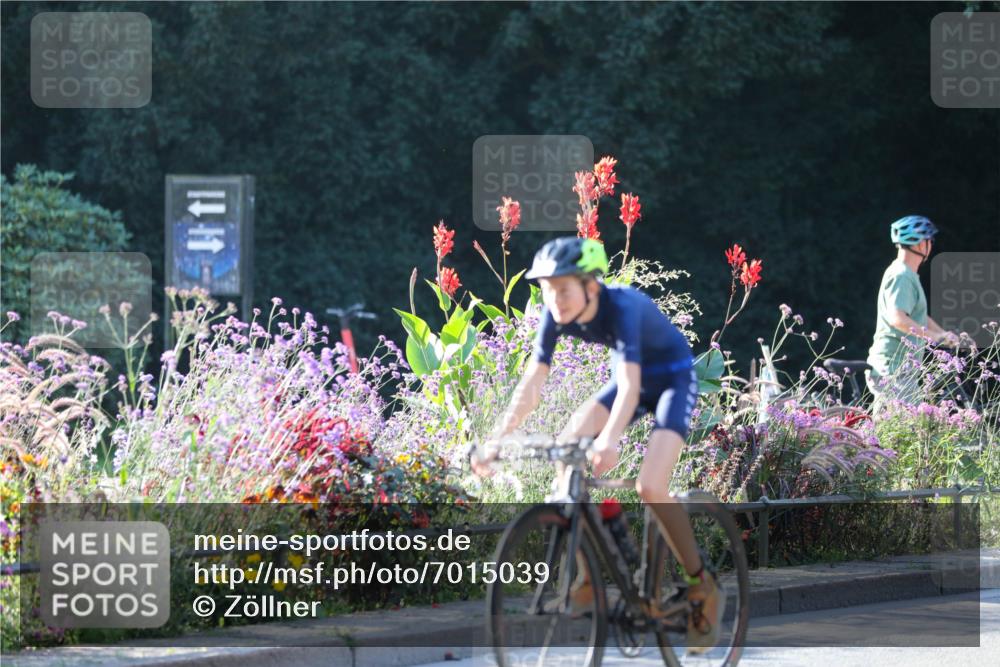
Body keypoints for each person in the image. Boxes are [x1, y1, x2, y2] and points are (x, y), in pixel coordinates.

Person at [472, 236, 724, 654]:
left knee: (650, 487)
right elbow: (532, 384)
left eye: (564, 290)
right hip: (630, 381)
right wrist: (498, 438)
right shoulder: (555, 313)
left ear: (592, 285)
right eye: (548, 290)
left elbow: (629, 388)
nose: (555, 300)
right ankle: (588, 581)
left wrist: (609, 440)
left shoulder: (623, 306)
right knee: (570, 448)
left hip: (671, 380)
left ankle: (703, 584)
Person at [865, 215, 958, 410]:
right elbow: (897, 318)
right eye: (929, 241)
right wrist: (933, 336)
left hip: (902, 367)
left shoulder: (907, 274)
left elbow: (917, 316)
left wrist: (944, 335)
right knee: (903, 431)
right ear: (919, 244)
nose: (931, 245)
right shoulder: (902, 276)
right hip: (893, 368)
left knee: (902, 429)